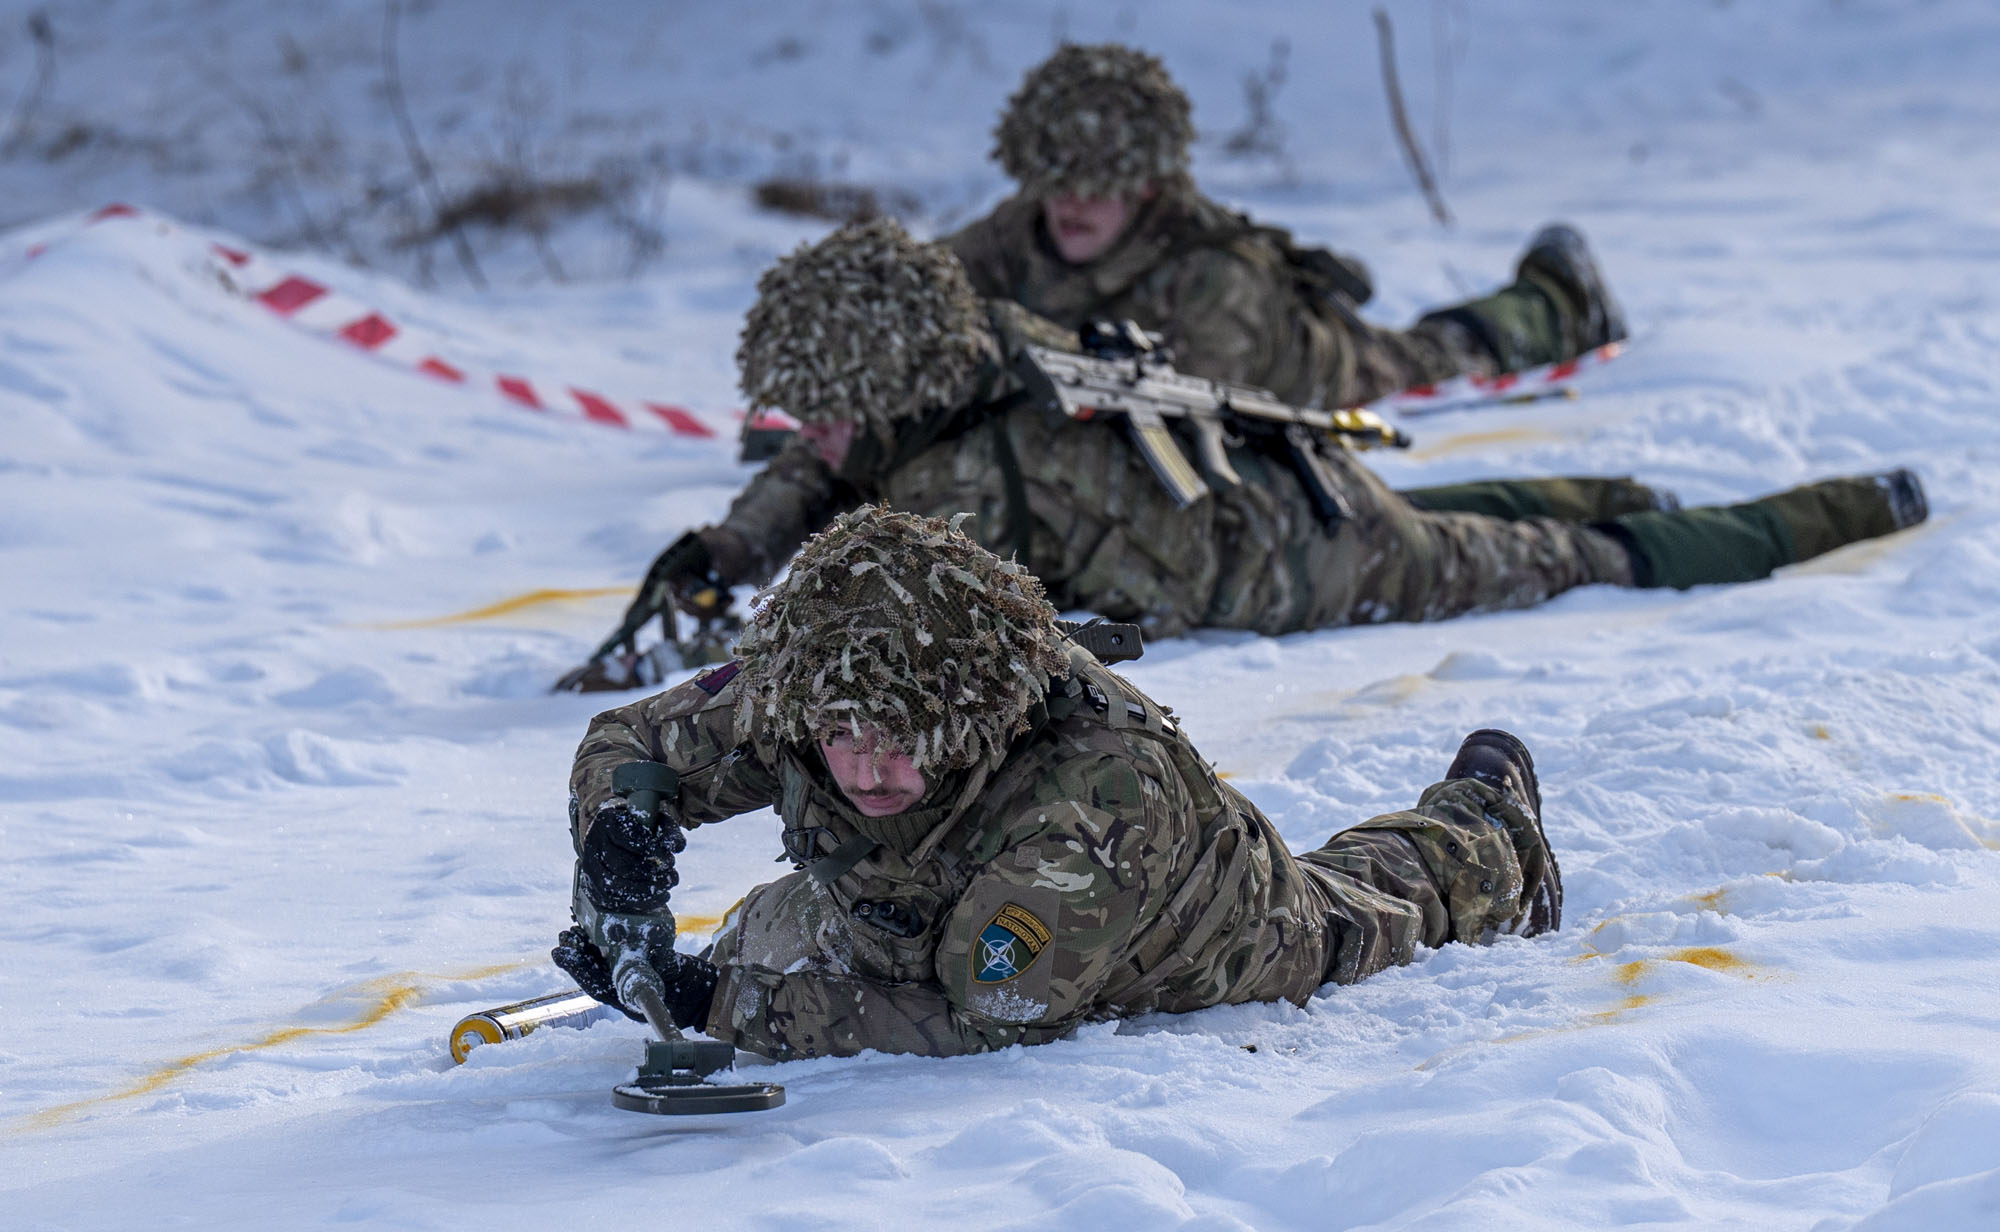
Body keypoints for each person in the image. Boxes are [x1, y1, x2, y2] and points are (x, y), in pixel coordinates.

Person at [554, 218, 1923, 688]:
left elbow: (897, 630)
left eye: (830, 407)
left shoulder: (960, 486)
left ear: (889, 378)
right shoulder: (980, 346)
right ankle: (1638, 493)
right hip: (1269, 474)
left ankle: (1838, 509)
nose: (818, 434)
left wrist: (741, 645)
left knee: (1570, 560)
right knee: (1463, 511)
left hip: (1292, 560)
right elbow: (832, 463)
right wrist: (733, 543)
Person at [552, 505, 1567, 1060]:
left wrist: (716, 1004)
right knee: (773, 931)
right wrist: (620, 836)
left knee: (1369, 904)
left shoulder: (1092, 794)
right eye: (838, 735)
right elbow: (630, 741)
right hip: (907, 908)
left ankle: (1484, 824)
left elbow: (983, 1019)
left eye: (903, 740)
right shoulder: (821, 676)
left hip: (1200, 938)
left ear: (973, 714)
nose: (864, 766)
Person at [948, 42, 1625, 418]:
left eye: (1099, 188)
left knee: (1442, 354)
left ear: (1147, 185)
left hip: (1325, 374)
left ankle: (1560, 298)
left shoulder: (1213, 281)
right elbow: (923, 294)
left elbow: (1161, 415)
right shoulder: (1017, 232)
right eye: (1057, 183)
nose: (1072, 205)